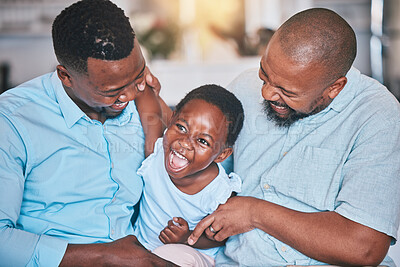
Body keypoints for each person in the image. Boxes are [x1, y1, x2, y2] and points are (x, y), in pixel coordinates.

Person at [187, 8, 400, 266]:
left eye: (286, 91)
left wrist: (255, 212)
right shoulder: (244, 87)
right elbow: (201, 166)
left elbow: (364, 248)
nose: (266, 93)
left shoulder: (377, 114)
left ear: (334, 88)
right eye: (264, 73)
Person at [0, 0, 173, 266]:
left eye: (138, 76)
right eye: (111, 91)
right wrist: (104, 256)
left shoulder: (144, 103)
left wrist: (152, 100)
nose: (128, 95)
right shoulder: (12, 121)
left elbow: (188, 164)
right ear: (65, 76)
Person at [133, 85, 243, 266]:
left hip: (192, 256)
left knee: (172, 254)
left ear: (222, 155)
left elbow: (220, 238)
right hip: (142, 249)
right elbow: (150, 107)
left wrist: (187, 238)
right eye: (182, 127)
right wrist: (142, 82)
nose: (184, 143)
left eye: (202, 141)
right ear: (172, 118)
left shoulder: (218, 191)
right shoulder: (157, 152)